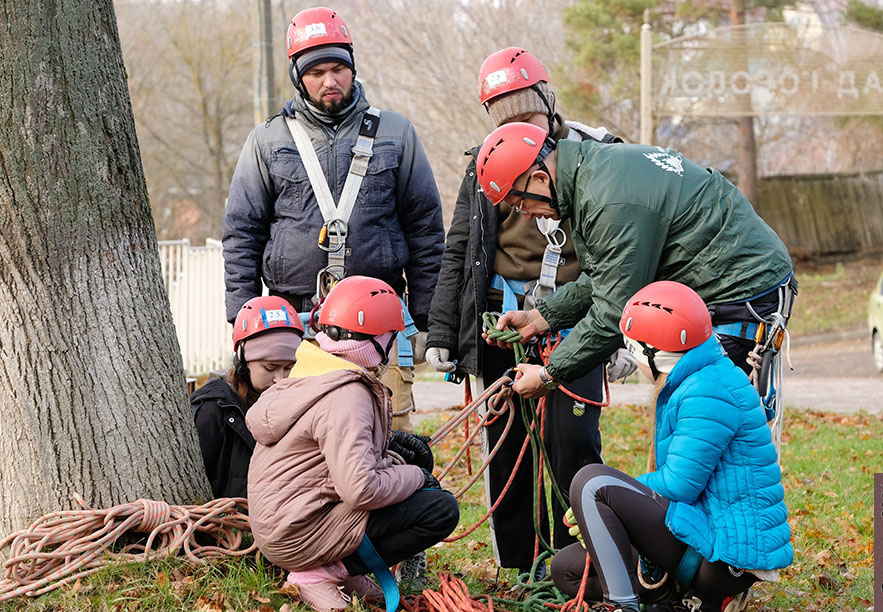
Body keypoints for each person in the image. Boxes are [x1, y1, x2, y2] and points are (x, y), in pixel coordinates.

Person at [424, 47, 636, 579]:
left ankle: (578, 563)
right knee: (506, 444)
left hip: (577, 317)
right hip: (503, 319)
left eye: (529, 117)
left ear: (550, 103)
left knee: (572, 444)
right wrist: (445, 331)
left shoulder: (599, 154)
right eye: (507, 120)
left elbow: (627, 255)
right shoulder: (484, 164)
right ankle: (520, 566)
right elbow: (459, 248)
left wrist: (624, 336)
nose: (521, 129)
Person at [222, 6, 444, 432]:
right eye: (316, 71)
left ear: (352, 67)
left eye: (339, 68)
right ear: (297, 76)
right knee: (305, 445)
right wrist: (242, 321)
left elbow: (426, 233)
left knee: (387, 441)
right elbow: (241, 235)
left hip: (381, 327)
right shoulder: (267, 140)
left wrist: (430, 323)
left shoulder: (396, 134)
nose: (330, 80)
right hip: (296, 325)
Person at [475, 122, 797, 399]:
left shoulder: (608, 200)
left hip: (743, 289)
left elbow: (613, 311)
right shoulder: (593, 176)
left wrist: (549, 375)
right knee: (689, 414)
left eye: (520, 203)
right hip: (722, 281)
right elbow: (608, 276)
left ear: (541, 179)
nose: (527, 215)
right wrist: (539, 318)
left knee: (705, 415)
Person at [550, 281, 792, 612]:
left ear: (654, 354)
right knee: (566, 569)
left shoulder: (708, 389)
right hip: (704, 539)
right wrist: (607, 514)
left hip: (722, 558)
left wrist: (611, 500)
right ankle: (686, 603)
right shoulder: (698, 377)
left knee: (592, 483)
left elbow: (680, 484)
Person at [245, 276, 459, 612]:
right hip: (300, 534)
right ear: (380, 341)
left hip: (282, 526)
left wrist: (392, 456)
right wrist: (417, 476)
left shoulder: (314, 371)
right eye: (394, 338)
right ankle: (321, 572)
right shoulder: (348, 394)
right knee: (439, 510)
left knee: (410, 479)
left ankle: (339, 568)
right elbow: (360, 489)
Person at [190, 295, 304, 499]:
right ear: (244, 361)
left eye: (290, 367)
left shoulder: (303, 404)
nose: (281, 378)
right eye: (270, 367)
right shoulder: (213, 410)